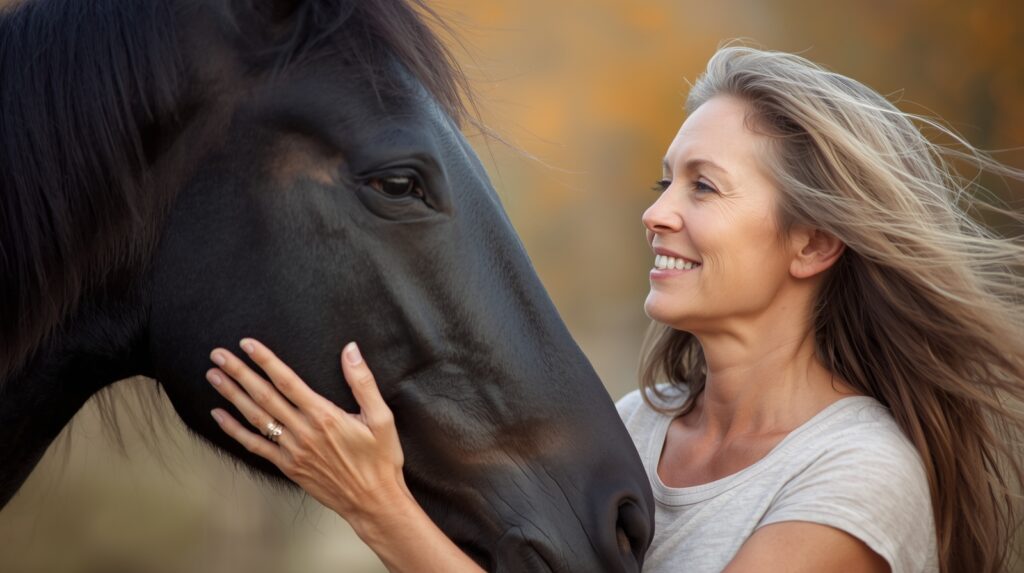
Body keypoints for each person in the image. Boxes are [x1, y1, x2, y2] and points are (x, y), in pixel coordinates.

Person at [203, 46, 1024, 573]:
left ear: (811, 244)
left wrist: (379, 508)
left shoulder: (858, 474)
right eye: (665, 179)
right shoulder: (636, 428)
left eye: (703, 185)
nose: (658, 212)